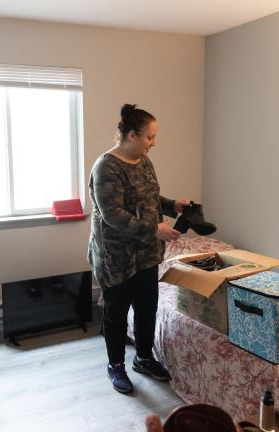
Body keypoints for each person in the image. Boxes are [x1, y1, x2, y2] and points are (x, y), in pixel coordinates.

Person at [88, 103, 190, 393]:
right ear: (132, 135)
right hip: (116, 256)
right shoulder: (106, 167)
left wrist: (172, 205)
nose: (153, 142)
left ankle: (143, 358)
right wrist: (155, 229)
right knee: (117, 313)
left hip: (146, 253)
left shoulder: (143, 161)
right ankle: (116, 365)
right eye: (149, 137)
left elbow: (149, 198)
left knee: (147, 309)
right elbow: (114, 215)